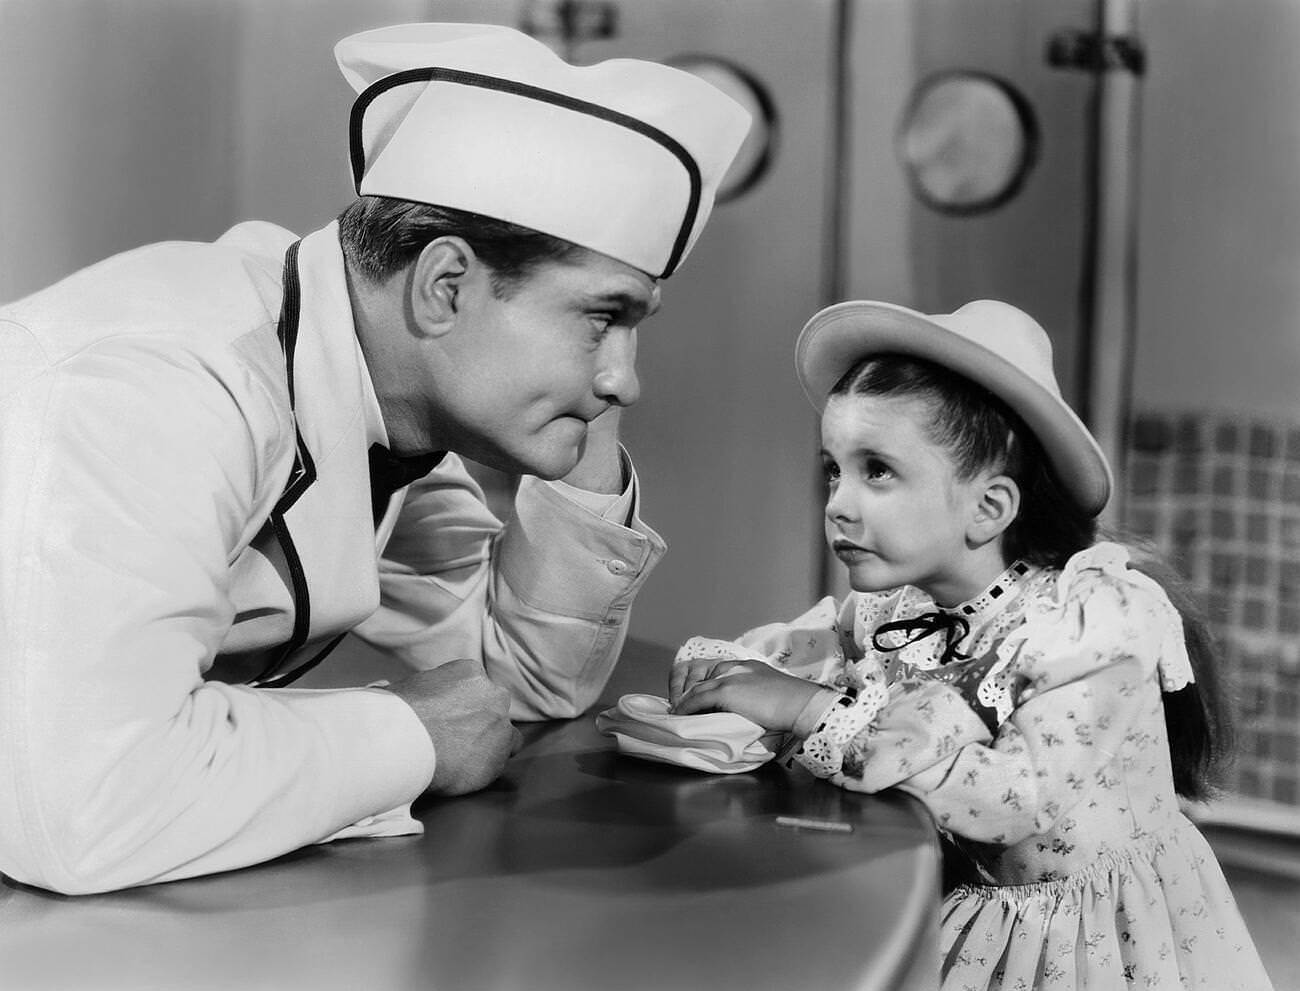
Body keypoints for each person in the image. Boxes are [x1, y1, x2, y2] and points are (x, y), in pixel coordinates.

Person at [0, 22, 750, 895]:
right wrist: (407, 735)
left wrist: (583, 406)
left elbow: (509, 682)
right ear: (446, 287)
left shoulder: (387, 405)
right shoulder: (161, 381)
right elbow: (87, 809)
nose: (629, 380)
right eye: (601, 317)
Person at [669, 299, 1274, 990]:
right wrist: (736, 675)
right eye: (833, 468)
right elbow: (801, 658)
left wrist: (808, 709)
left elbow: (1009, 799)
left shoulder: (1092, 619)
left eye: (878, 471)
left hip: (1084, 943)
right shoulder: (894, 608)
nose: (837, 501)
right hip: (962, 899)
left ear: (989, 508)